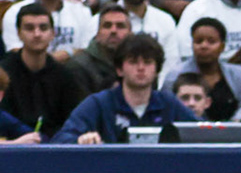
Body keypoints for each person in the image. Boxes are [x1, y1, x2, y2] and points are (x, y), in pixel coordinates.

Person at [52, 34, 193, 143]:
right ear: (119, 69)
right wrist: (80, 140)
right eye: (133, 62)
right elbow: (61, 139)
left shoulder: (169, 103)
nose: (141, 68)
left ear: (157, 70)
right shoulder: (98, 103)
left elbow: (200, 133)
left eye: (148, 62)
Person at [1, 2, 87, 133]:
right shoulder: (3, 73)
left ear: (53, 33)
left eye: (43, 28)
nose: (37, 34)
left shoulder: (65, 76)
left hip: (54, 143)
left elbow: (72, 124)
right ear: (19, 33)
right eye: (29, 28)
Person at [165, 18, 241, 121]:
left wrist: (234, 123)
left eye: (211, 42)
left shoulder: (239, 74)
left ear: (222, 46)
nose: (204, 46)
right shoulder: (175, 74)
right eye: (198, 41)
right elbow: (167, 105)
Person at [65, 3, 134, 94]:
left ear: (131, 34)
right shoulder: (79, 66)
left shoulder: (140, 64)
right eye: (107, 26)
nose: (113, 31)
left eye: (120, 26)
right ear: (97, 33)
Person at [0, 67, 46, 141]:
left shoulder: (3, 118)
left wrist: (32, 138)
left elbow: (39, 138)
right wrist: (16, 143)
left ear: (1, 95)